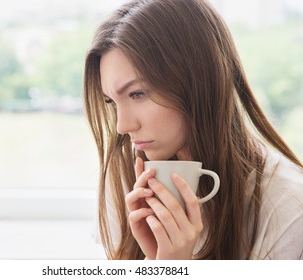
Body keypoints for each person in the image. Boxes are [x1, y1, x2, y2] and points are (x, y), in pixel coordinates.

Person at [83, 0, 303, 260]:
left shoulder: (287, 206)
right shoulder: (122, 180)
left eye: (137, 93)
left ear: (197, 81)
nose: (123, 126)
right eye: (111, 101)